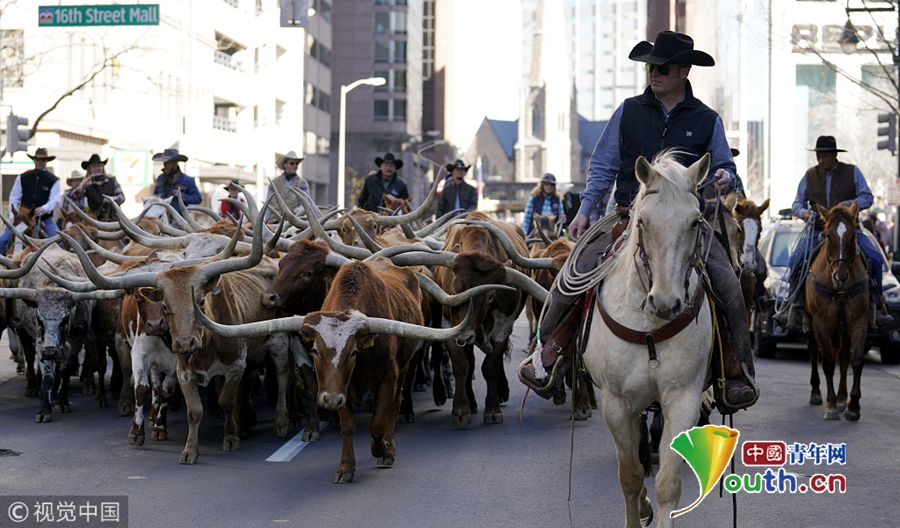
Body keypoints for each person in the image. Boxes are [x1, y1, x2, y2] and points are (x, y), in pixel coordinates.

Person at [518, 30, 758, 413]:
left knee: (727, 281)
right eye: (650, 66)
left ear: (683, 70)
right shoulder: (628, 111)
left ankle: (735, 372)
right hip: (630, 217)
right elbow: (603, 166)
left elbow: (725, 166)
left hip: (686, 224)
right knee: (575, 271)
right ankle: (545, 353)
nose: (653, 73)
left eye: (661, 67)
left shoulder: (706, 119)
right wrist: (584, 210)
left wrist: (725, 176)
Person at [775, 135, 892, 329]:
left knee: (876, 259)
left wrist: (850, 205)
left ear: (834, 155)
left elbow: (867, 196)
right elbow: (797, 202)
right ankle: (792, 306)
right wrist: (803, 212)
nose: (821, 160)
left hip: (848, 228)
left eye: (825, 156)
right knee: (796, 258)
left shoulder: (852, 172)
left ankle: (877, 306)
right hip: (818, 228)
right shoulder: (809, 175)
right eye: (818, 156)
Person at [0, 147, 61, 254]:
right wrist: (12, 216)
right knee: (1, 241)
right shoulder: (22, 178)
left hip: (44, 219)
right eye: (38, 159)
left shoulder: (53, 180)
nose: (40, 162)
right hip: (22, 218)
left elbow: (55, 200)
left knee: (60, 242)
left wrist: (44, 208)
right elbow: (14, 197)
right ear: (34, 160)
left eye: (43, 160)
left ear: (47, 161)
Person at [66, 154, 125, 221]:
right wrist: (83, 185)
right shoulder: (87, 184)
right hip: (95, 220)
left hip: (114, 218)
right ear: (89, 169)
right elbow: (74, 197)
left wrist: (112, 199)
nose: (97, 168)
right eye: (94, 166)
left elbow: (122, 197)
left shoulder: (111, 180)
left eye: (99, 166)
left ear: (102, 167)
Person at [152, 148, 201, 216]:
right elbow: (154, 197)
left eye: (168, 162)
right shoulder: (160, 178)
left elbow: (198, 198)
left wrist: (181, 195)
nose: (165, 165)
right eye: (164, 162)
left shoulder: (187, 180)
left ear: (175, 162)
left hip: (179, 219)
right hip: (161, 216)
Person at [266, 151, 308, 220]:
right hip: (274, 221)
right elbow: (268, 204)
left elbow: (306, 203)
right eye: (292, 163)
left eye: (297, 163)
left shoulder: (303, 183)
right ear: (285, 164)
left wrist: (300, 208)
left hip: (294, 223)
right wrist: (266, 220)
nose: (295, 166)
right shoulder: (274, 183)